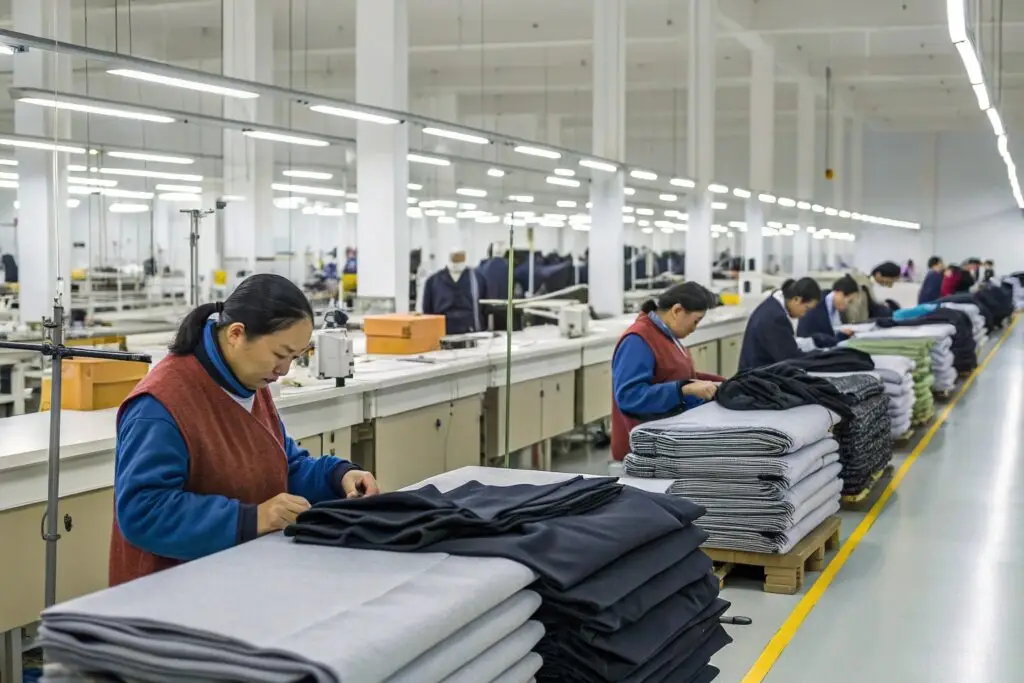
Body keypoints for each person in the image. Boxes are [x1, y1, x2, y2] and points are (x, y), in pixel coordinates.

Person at [110, 274, 379, 586]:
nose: (284, 370)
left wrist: (337, 475)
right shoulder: (160, 405)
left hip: (234, 577)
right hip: (168, 590)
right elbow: (144, 512)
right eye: (280, 354)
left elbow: (280, 464)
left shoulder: (247, 380)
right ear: (236, 334)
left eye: (294, 357)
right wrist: (252, 518)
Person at [610, 282, 723, 463]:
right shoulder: (638, 340)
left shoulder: (666, 336)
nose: (694, 328)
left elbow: (680, 375)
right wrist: (683, 389)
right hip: (644, 446)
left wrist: (724, 383)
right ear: (677, 311)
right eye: (695, 321)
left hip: (668, 437)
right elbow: (629, 396)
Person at [739, 277, 822, 371]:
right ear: (796, 299)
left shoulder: (773, 306)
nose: (804, 314)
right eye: (806, 308)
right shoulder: (775, 318)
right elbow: (790, 358)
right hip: (758, 376)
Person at [422, 248, 488, 334]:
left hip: (471, 333)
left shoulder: (477, 279)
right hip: (442, 333)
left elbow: (485, 309)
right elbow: (427, 312)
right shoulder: (433, 281)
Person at [796, 275, 859, 348]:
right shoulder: (814, 306)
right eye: (850, 301)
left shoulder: (837, 309)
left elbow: (833, 335)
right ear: (840, 294)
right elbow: (805, 337)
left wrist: (844, 334)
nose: (848, 305)